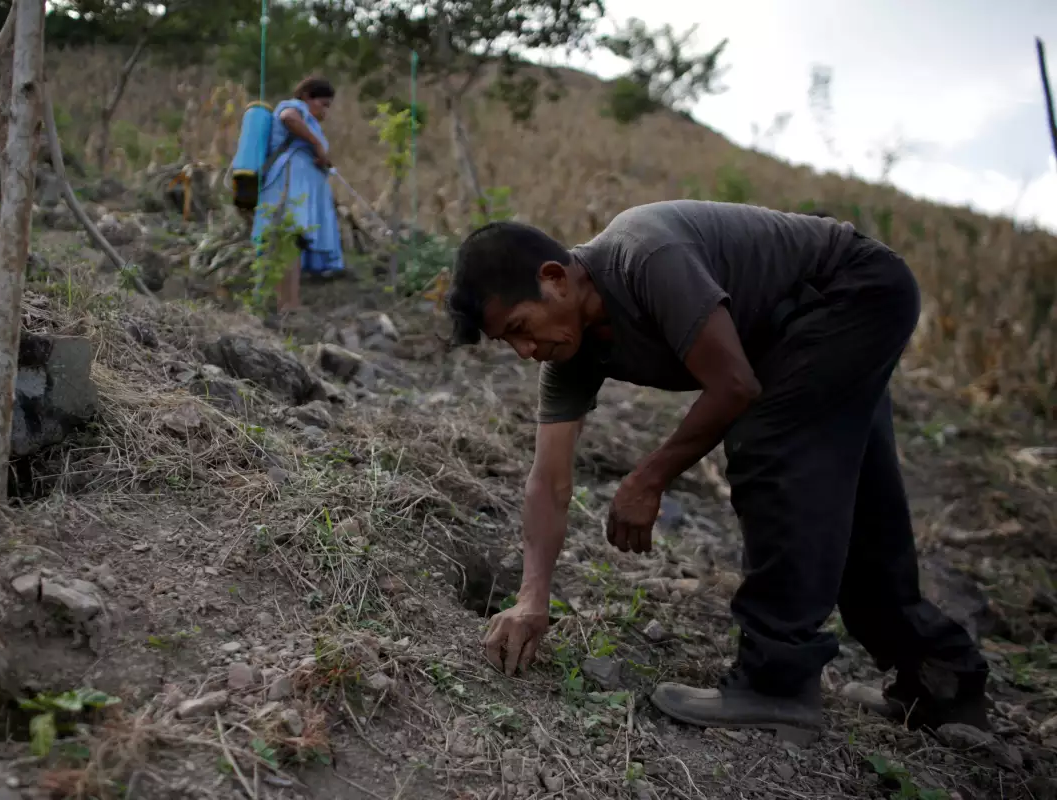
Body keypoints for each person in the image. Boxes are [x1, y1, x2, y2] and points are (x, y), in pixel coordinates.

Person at [447, 200, 991, 743]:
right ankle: (941, 678)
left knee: (768, 449)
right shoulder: (569, 352)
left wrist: (649, 477)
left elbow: (734, 385)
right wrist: (531, 597)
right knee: (860, 497)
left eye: (521, 327)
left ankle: (776, 683)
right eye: (508, 342)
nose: (525, 351)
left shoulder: (646, 255)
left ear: (555, 279)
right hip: (802, 332)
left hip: (851, 292)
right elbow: (548, 481)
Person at [250, 76, 346, 313]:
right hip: (288, 182)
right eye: (323, 104)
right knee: (287, 240)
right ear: (306, 97)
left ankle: (290, 303)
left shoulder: (309, 120)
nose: (325, 112)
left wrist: (320, 157)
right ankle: (285, 304)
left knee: (292, 244)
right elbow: (288, 119)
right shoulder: (295, 107)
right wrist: (317, 144)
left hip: (299, 184)